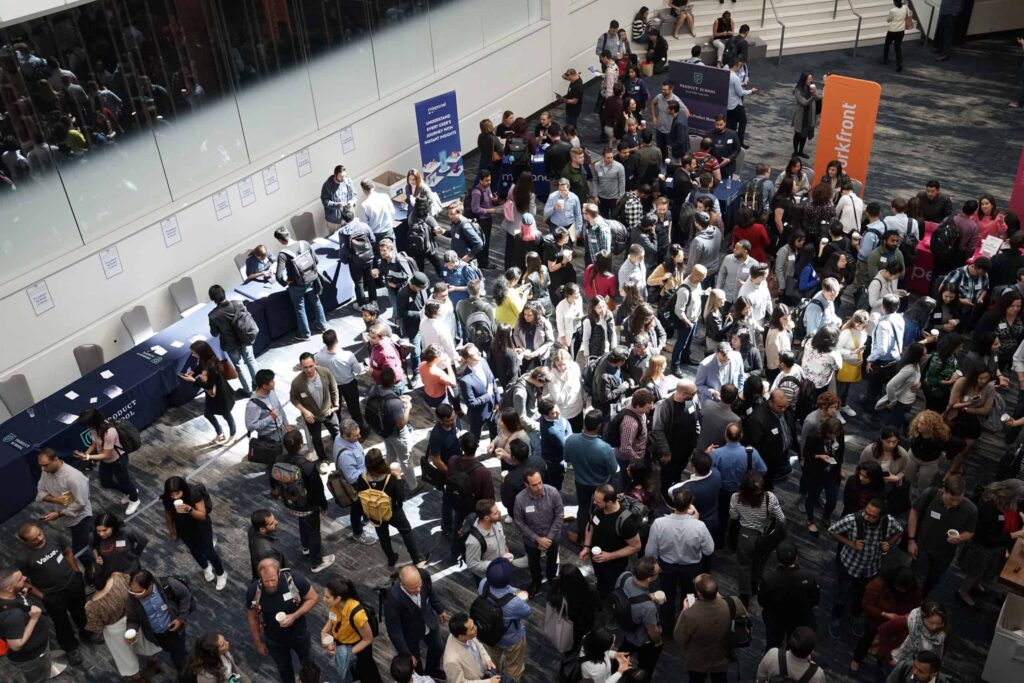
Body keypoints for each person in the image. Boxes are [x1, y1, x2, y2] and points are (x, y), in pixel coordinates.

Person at [828, 499, 904, 638]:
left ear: (881, 517)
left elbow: (899, 531)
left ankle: (854, 615)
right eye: (866, 512)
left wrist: (889, 543)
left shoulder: (888, 522)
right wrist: (850, 543)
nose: (867, 517)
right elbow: (832, 531)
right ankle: (836, 618)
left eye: (872, 516)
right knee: (842, 594)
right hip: (850, 565)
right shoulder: (852, 520)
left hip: (871, 568)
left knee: (862, 596)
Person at [645, 487, 713, 629]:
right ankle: (685, 624)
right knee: (689, 597)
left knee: (666, 596)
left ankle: (666, 626)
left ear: (673, 503)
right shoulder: (699, 526)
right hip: (691, 568)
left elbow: (650, 552)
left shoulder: (659, 523)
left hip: (667, 566)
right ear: (690, 504)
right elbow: (709, 550)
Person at [246, 558, 318, 683]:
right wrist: (258, 642)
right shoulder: (254, 591)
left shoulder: (293, 581)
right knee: (284, 670)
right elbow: (252, 618)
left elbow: (313, 598)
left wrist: (295, 615)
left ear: (279, 573)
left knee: (308, 665)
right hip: (274, 641)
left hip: (299, 635)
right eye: (266, 581)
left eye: (273, 580)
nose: (270, 584)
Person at [907, 474, 977, 596]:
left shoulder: (970, 509)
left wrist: (960, 537)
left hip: (945, 553)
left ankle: (921, 601)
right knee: (916, 578)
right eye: (952, 499)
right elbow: (914, 513)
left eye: (959, 499)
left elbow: (970, 532)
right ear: (944, 491)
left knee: (933, 581)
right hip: (922, 546)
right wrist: (911, 540)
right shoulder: (930, 494)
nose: (955, 503)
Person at [957, 478, 1024, 604]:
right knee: (975, 571)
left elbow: (1015, 510)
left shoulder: (1003, 500)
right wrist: (1015, 534)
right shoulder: (989, 507)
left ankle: (976, 584)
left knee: (985, 570)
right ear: (1010, 495)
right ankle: (963, 591)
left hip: (995, 547)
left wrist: (1020, 515)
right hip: (982, 547)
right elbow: (987, 538)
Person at [358, 449, 429, 568]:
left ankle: (391, 559)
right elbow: (401, 497)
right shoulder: (390, 478)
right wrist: (398, 477)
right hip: (393, 511)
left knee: (383, 536)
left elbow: (360, 493)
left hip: (375, 513)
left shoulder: (362, 478)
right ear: (381, 462)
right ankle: (417, 559)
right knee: (406, 532)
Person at [159, 476, 228, 590]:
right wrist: (172, 531)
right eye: (172, 495)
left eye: (178, 493)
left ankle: (221, 573)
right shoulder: (167, 498)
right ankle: (205, 567)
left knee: (209, 552)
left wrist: (189, 509)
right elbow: (169, 516)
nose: (175, 497)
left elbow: (202, 516)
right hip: (183, 528)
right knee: (194, 551)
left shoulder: (193, 493)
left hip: (200, 527)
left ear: (183, 489)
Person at [675, 573, 745, 683]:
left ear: (698, 593)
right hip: (722, 655)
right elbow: (744, 620)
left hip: (697, 659)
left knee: (696, 680)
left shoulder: (690, 614)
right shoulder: (733, 603)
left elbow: (679, 638)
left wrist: (684, 610)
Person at [35, 448, 94, 576]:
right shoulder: (46, 471)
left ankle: (90, 568)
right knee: (89, 531)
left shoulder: (74, 478)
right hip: (65, 516)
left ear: (55, 459)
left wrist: (59, 514)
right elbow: (40, 492)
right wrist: (54, 499)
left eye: (45, 465)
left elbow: (81, 503)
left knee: (80, 549)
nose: (43, 469)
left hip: (79, 517)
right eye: (41, 466)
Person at [729, 471, 785, 604]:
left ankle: (744, 593)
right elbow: (781, 518)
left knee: (743, 565)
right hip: (763, 537)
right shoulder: (769, 498)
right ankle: (755, 585)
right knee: (760, 563)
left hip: (745, 536)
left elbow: (733, 516)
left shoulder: (736, 497)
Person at [853, 566, 922, 673]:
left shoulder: (913, 590)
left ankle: (881, 662)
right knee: (867, 638)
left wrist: (907, 616)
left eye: (905, 589)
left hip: (898, 622)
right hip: (876, 619)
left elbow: (917, 606)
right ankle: (857, 659)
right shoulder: (878, 584)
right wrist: (884, 614)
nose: (902, 590)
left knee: (891, 645)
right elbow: (867, 604)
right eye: (900, 587)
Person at [564, 410, 619, 543]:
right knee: (599, 512)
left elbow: (567, 459)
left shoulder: (571, 440)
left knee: (582, 509)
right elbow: (614, 471)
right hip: (600, 487)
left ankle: (583, 536)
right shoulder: (605, 448)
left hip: (580, 482)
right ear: (599, 426)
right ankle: (597, 537)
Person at [579, 484, 643, 597]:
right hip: (597, 558)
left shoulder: (626, 522)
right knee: (601, 580)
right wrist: (587, 546)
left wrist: (609, 556)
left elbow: (636, 546)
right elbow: (591, 525)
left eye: (597, 501)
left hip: (614, 565)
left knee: (613, 586)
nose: (594, 503)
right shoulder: (599, 508)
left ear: (609, 502)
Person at [74, 408, 141, 515]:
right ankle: (128, 492)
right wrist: (86, 454)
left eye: (88, 424)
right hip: (105, 460)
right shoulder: (94, 428)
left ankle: (135, 499)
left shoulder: (109, 432)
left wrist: (87, 457)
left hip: (118, 460)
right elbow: (94, 443)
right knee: (106, 482)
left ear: (94, 421)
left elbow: (106, 454)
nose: (88, 427)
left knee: (124, 481)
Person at [317, 577, 382, 683]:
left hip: (358, 650)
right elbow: (332, 618)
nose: (323, 599)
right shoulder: (334, 605)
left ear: (337, 598)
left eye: (327, 597)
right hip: (343, 644)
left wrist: (347, 654)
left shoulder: (357, 615)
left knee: (367, 675)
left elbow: (367, 639)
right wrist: (324, 632)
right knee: (352, 673)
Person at [757, 544, 820, 651]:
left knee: (773, 645)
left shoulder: (768, 579)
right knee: (795, 645)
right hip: (799, 618)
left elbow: (762, 601)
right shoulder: (809, 577)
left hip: (775, 618)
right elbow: (814, 599)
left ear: (777, 559)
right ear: (796, 558)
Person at [477, 558, 531, 681]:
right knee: (514, 667)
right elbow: (527, 612)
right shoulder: (514, 603)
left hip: (489, 633)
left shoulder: (483, 583)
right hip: (511, 639)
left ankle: (492, 676)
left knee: (492, 659)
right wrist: (520, 595)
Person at [513, 469, 563, 595]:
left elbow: (559, 516)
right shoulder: (520, 499)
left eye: (540, 482)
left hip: (552, 537)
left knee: (552, 560)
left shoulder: (553, 492)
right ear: (526, 485)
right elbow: (519, 523)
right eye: (534, 485)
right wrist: (537, 539)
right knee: (533, 563)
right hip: (531, 540)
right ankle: (536, 582)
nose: (539, 487)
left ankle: (552, 580)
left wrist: (548, 538)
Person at [0, 566, 54, 683]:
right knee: (38, 678)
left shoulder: (9, 594)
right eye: (20, 579)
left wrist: (22, 597)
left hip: (38, 646)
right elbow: (16, 645)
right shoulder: (12, 616)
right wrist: (34, 619)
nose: (25, 578)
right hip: (32, 657)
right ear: (9, 588)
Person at [274, 226, 328, 341]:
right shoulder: (304, 243)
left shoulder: (283, 254)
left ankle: (305, 334)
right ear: (289, 234)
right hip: (312, 279)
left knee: (300, 309)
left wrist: (285, 282)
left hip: (296, 285)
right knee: (316, 302)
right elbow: (316, 261)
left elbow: (278, 276)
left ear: (280, 240)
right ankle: (323, 326)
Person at [207, 284, 259, 396]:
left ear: (212, 298)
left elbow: (214, 334)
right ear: (224, 293)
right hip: (245, 338)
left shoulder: (213, 315)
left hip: (230, 344)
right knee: (250, 360)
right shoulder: (238, 303)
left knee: (239, 366)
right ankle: (259, 384)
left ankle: (248, 390)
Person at [315, 329, 365, 432]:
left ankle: (338, 433)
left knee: (335, 412)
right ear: (336, 340)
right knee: (355, 409)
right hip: (349, 385)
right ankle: (361, 431)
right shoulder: (347, 355)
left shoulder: (319, 356)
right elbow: (358, 370)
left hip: (332, 387)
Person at [442, 613, 498, 683]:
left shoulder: (462, 633)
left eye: (474, 624)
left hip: (484, 674)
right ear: (461, 636)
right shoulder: (452, 661)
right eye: (472, 628)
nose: (476, 627)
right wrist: (488, 682)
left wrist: (487, 659)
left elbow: (479, 646)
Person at [756, 627, 825, 683]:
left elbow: (760, 678)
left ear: (790, 641)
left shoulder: (773, 655)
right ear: (811, 651)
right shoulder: (817, 674)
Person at [695, 341, 745, 406]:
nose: (726, 363)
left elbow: (741, 377)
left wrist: (738, 393)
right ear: (717, 353)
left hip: (732, 402)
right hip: (712, 403)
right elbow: (698, 386)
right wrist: (712, 392)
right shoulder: (705, 365)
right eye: (723, 360)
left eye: (728, 360)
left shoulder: (737, 356)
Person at [791, 72, 822, 159]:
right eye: (808, 79)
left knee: (804, 133)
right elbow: (804, 102)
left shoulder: (811, 87)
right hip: (801, 115)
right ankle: (795, 152)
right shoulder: (798, 90)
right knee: (798, 133)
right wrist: (813, 96)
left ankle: (801, 151)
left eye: (811, 78)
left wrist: (816, 94)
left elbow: (817, 98)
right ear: (804, 79)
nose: (810, 80)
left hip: (809, 114)